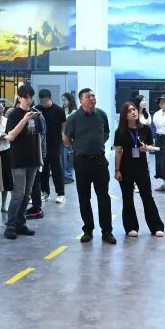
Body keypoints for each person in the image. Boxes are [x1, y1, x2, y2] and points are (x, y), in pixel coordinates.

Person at [63, 88, 115, 244]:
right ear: (81, 100)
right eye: (88, 96)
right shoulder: (74, 118)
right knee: (84, 198)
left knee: (104, 197)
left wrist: (96, 145)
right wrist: (78, 147)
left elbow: (106, 134)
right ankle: (88, 230)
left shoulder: (101, 115)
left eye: (93, 95)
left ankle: (107, 231)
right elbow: (66, 138)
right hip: (82, 162)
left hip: (99, 161)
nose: (92, 98)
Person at [113, 102, 165, 237]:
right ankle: (131, 227)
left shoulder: (145, 129)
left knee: (147, 196)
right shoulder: (120, 132)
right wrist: (117, 170)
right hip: (125, 168)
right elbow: (118, 151)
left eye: (135, 109)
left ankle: (156, 227)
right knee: (127, 198)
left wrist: (146, 148)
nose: (134, 112)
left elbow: (151, 145)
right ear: (125, 115)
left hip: (141, 167)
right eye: (130, 111)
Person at [4, 84, 44, 240]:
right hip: (18, 159)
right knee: (18, 194)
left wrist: (40, 158)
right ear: (19, 98)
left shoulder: (36, 115)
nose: (29, 100)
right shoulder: (14, 114)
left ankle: (20, 223)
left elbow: (39, 137)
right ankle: (10, 225)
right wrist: (24, 120)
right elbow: (11, 136)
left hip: (33, 159)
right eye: (26, 97)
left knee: (27, 194)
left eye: (31, 97)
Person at [37, 89, 67, 204]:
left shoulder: (59, 110)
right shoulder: (37, 109)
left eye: (46, 101)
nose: (44, 104)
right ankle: (45, 192)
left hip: (55, 142)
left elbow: (63, 124)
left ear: (50, 99)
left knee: (56, 167)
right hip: (42, 143)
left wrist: (62, 135)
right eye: (42, 102)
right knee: (43, 168)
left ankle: (60, 193)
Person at [60, 92, 76, 184]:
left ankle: (68, 176)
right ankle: (64, 176)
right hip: (62, 137)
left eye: (65, 100)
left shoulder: (73, 112)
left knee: (67, 158)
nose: (63, 102)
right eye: (62, 100)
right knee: (63, 158)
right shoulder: (63, 111)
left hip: (69, 137)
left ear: (70, 100)